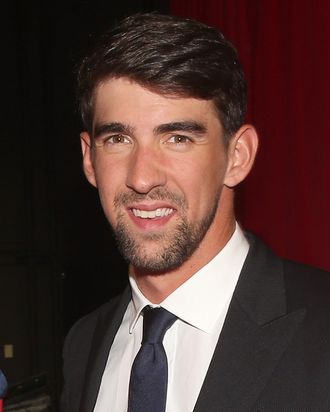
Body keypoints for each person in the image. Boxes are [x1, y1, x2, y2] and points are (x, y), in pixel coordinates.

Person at [61, 13, 330, 412]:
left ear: (237, 156)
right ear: (89, 159)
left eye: (178, 138)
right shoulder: (82, 344)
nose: (142, 177)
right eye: (118, 139)